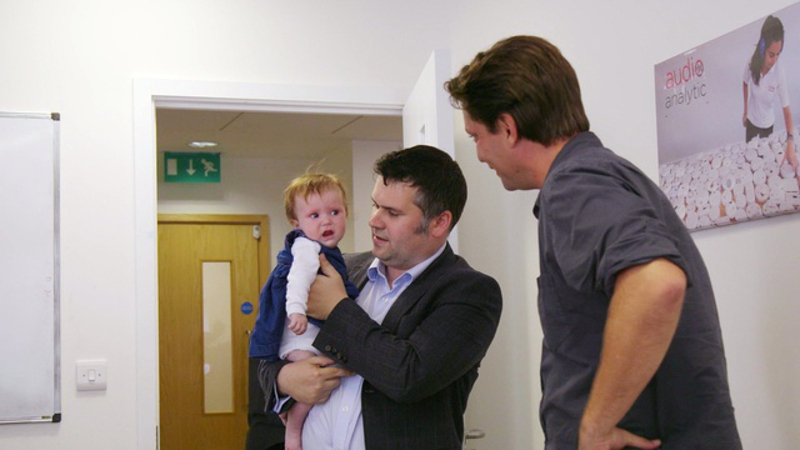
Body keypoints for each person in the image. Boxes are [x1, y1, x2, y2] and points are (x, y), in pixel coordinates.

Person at [446, 35, 742, 449]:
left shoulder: (575, 183)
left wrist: (596, 427)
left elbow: (656, 283)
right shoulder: (607, 174)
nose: (479, 155)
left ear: (508, 128)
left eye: (477, 136)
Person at [253, 145, 502, 449]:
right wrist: (285, 380)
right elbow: (274, 348)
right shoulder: (341, 268)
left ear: (439, 222)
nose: (374, 220)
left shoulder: (471, 292)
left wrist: (337, 308)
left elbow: (408, 376)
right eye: (375, 205)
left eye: (392, 213)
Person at [248, 172, 360, 450]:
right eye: (314, 215)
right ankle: (293, 431)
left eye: (334, 212)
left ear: (346, 212)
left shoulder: (334, 255)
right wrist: (297, 310)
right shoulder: (307, 248)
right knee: (320, 378)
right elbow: (298, 279)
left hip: (307, 337)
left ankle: (289, 413)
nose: (326, 221)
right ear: (296, 223)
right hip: (300, 339)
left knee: (322, 378)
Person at [743, 14, 798, 169]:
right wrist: (745, 111)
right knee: (750, 162)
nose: (774, 60)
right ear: (762, 48)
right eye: (771, 55)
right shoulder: (751, 63)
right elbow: (745, 83)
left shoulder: (779, 71)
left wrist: (790, 143)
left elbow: (787, 110)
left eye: (778, 54)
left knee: (765, 163)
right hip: (751, 122)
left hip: (768, 124)